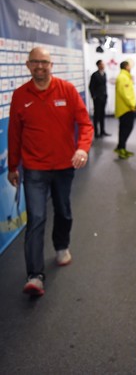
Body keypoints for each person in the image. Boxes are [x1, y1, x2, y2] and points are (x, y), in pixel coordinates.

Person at [8, 46, 94, 297]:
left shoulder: (66, 90)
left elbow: (85, 124)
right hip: (34, 168)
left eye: (44, 62)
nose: (40, 66)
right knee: (36, 219)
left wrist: (82, 149)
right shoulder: (20, 95)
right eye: (35, 62)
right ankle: (35, 275)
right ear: (27, 65)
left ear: (51, 65)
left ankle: (61, 245)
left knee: (64, 211)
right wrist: (13, 166)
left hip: (65, 166)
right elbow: (14, 134)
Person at [114, 60, 136, 159]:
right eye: (129, 65)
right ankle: (121, 149)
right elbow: (126, 94)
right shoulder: (123, 77)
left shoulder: (125, 76)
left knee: (123, 129)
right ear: (126, 66)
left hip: (125, 108)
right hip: (125, 109)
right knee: (126, 128)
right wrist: (133, 105)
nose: (130, 67)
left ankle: (121, 147)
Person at [88, 59, 111, 138]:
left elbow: (104, 86)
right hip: (97, 98)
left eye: (103, 64)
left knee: (102, 114)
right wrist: (94, 96)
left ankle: (102, 131)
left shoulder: (104, 74)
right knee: (96, 115)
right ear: (98, 65)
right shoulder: (94, 75)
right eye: (101, 64)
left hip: (104, 97)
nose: (103, 65)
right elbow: (91, 86)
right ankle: (96, 133)